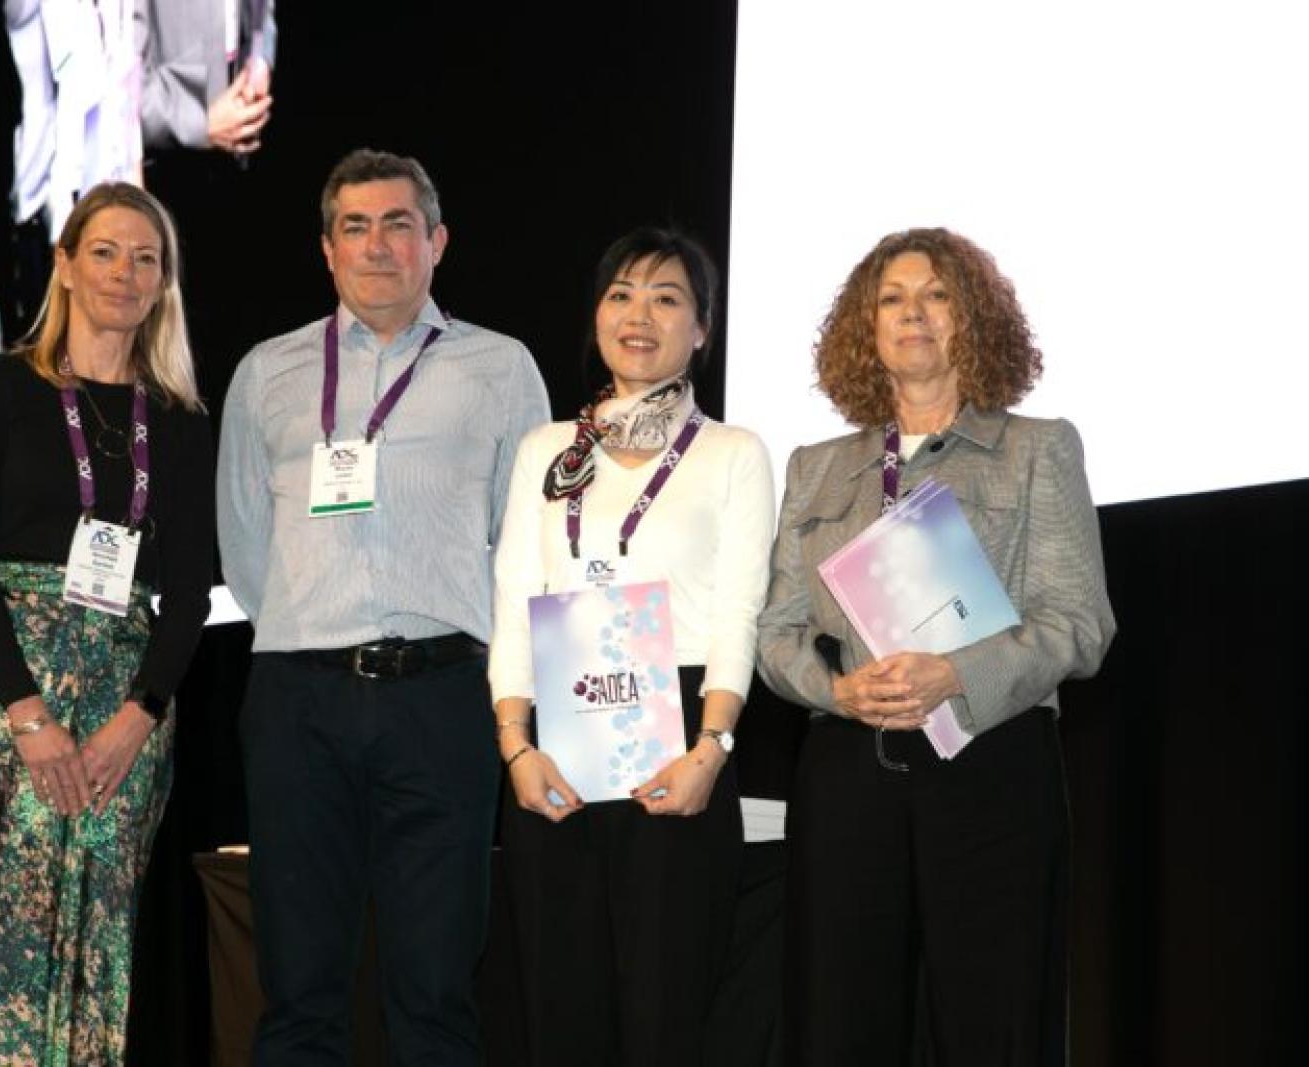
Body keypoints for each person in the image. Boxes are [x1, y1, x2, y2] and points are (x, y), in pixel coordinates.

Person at [216, 148, 549, 1063]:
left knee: (436, 992)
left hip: (442, 699)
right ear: (326, 250)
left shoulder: (501, 367)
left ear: (436, 242)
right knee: (297, 989)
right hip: (298, 704)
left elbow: (521, 542)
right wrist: (312, 627)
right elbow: (247, 544)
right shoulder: (267, 372)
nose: (377, 245)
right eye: (354, 227)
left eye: (399, 223)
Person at [756, 228, 1116, 1066]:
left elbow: (1080, 622)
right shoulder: (816, 466)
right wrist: (835, 690)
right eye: (890, 298)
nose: (912, 312)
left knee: (995, 1022)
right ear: (864, 327)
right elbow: (773, 632)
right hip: (848, 771)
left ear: (975, 318)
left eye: (937, 294)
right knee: (840, 1022)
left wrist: (956, 671)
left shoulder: (1038, 448)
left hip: (990, 761)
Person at [0, 181, 215, 1066]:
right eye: (104, 251)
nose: (124, 272)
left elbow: (188, 598)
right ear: (64, 265)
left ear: (163, 283)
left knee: (87, 934)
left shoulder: (179, 425)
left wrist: (136, 718)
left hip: (118, 720)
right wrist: (27, 714)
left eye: (147, 257)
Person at [488, 228, 776, 1064]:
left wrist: (710, 748)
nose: (639, 314)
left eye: (667, 297)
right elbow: (513, 600)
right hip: (556, 745)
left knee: (664, 1013)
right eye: (621, 294)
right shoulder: (549, 449)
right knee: (561, 1009)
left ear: (703, 329)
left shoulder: (732, 452)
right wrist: (514, 746)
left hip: (677, 741)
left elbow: (740, 611)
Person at [137, 0, 277, 159]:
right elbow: (120, 83)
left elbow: (262, 11)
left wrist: (260, 56)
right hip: (164, 156)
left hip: (241, 118)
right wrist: (199, 125)